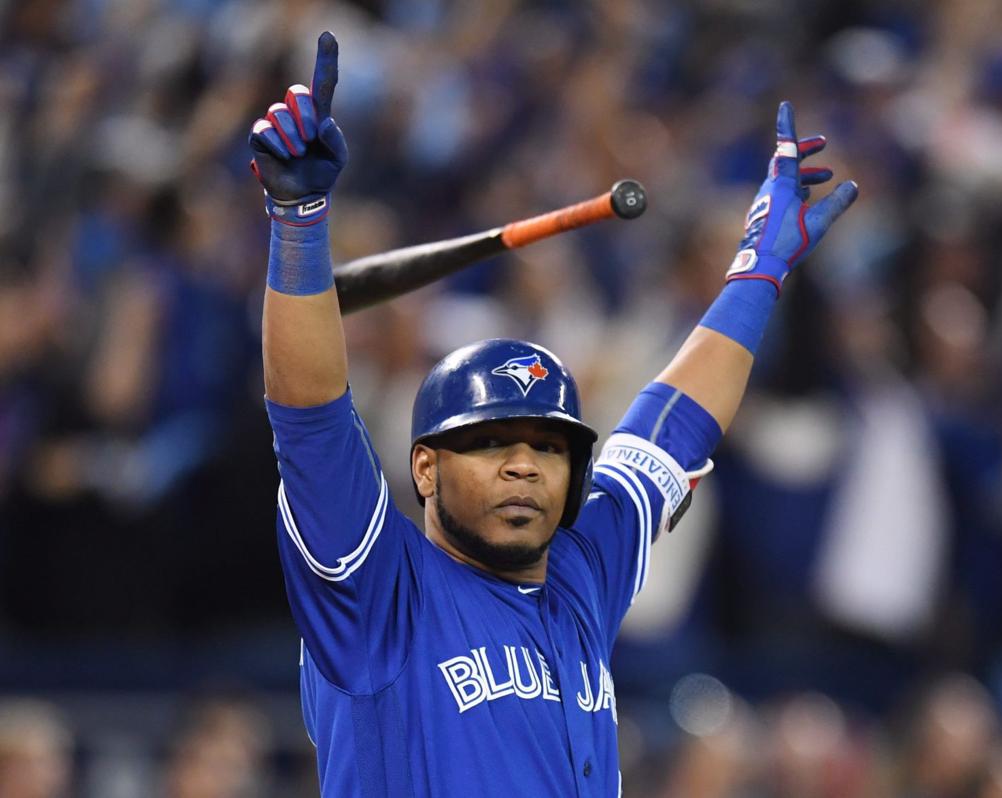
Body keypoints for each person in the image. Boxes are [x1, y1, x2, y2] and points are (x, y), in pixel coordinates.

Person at [249, 31, 856, 797]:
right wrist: (298, 218)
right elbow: (308, 416)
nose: (523, 463)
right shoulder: (378, 592)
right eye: (489, 441)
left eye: (549, 445)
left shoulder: (581, 573)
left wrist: (756, 273)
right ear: (426, 467)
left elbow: (670, 429)